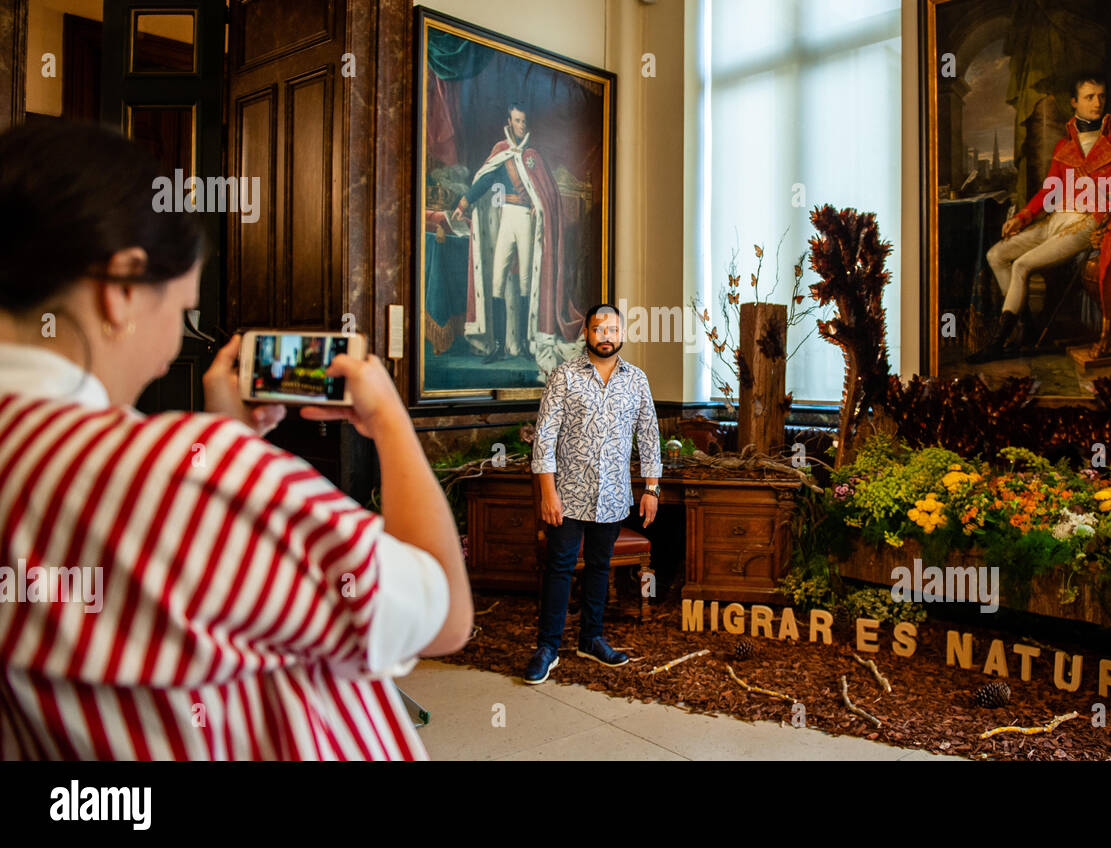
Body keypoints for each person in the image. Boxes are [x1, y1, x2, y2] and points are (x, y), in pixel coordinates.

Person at [0, 119, 473, 760]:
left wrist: (217, 443)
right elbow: (443, 613)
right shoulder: (201, 481)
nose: (172, 351)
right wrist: (389, 418)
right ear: (120, 289)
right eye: (182, 310)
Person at [967, 73, 1111, 362]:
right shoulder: (1064, 147)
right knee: (996, 255)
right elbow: (1049, 191)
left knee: (1021, 265)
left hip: (1089, 221)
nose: (1097, 103)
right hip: (1056, 219)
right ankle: (1026, 329)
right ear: (1074, 102)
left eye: (1101, 96)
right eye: (1089, 97)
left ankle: (999, 343)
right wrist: (1023, 217)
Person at [525, 304, 661, 684]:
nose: (606, 335)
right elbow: (545, 438)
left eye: (613, 329)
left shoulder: (637, 380)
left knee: (600, 569)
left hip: (615, 496)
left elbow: (649, 436)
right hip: (566, 495)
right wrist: (547, 493)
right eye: (599, 328)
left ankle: (591, 638)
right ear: (586, 332)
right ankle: (548, 646)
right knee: (560, 568)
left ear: (622, 333)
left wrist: (651, 488)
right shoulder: (564, 376)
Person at [450, 103, 584, 371]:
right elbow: (484, 182)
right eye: (516, 121)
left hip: (525, 219)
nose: (520, 125)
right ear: (509, 122)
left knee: (524, 282)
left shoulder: (533, 155)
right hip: (506, 219)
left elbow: (546, 193)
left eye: (523, 121)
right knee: (497, 280)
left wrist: (539, 204)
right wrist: (463, 203)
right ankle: (499, 346)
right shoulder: (501, 152)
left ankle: (522, 343)